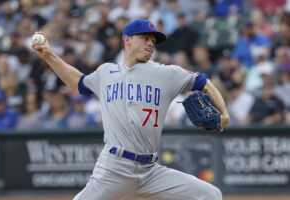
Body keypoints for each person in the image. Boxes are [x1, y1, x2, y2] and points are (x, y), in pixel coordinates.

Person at [32, 19, 229, 200]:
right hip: (113, 169)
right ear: (127, 40)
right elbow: (78, 82)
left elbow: (204, 83)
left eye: (153, 40)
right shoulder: (106, 72)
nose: (151, 43)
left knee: (211, 195)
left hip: (151, 171)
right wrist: (49, 55)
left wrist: (224, 114)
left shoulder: (166, 73)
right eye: (145, 38)